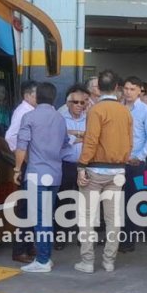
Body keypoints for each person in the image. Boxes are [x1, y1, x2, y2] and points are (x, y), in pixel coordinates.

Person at [76, 70, 133, 273]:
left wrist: (82, 165)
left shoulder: (96, 110)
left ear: (98, 88)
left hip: (95, 170)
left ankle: (87, 261)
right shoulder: (125, 111)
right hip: (118, 171)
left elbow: (91, 140)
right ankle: (109, 260)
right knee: (113, 219)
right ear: (117, 87)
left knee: (87, 217)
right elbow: (130, 142)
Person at [14, 82, 71, 273]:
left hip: (36, 175)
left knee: (39, 219)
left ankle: (43, 260)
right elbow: (65, 144)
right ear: (54, 98)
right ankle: (46, 256)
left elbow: (21, 146)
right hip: (55, 175)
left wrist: (17, 169)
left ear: (37, 97)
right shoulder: (60, 119)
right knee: (48, 217)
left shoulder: (29, 117)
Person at [119, 76, 147, 253]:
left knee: (131, 201)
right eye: (126, 88)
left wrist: (140, 157)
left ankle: (128, 240)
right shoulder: (117, 107)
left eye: (132, 89)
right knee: (115, 201)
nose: (128, 92)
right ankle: (116, 237)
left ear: (140, 91)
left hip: (135, 163)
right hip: (116, 162)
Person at [5, 80, 39, 263]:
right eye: (36, 94)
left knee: (31, 207)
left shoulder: (31, 111)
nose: (38, 97)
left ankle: (28, 245)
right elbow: (11, 136)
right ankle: (19, 250)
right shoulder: (23, 112)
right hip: (26, 164)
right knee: (25, 208)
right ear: (27, 95)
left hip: (31, 163)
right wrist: (22, 157)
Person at [56, 84, 90, 247]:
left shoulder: (90, 118)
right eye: (75, 102)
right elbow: (59, 139)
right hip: (66, 165)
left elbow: (92, 139)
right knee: (63, 200)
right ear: (68, 103)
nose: (79, 105)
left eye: (82, 102)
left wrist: (72, 135)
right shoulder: (60, 118)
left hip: (85, 165)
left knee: (84, 202)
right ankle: (60, 237)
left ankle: (82, 237)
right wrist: (79, 136)